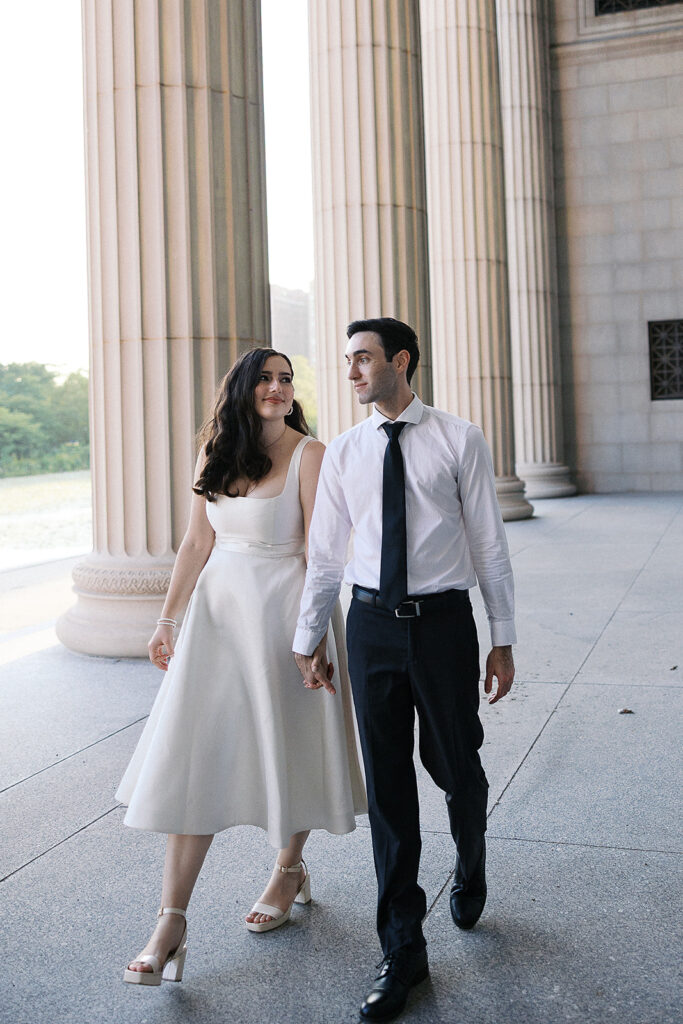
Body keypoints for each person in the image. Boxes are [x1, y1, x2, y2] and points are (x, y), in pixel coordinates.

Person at [117, 347, 366, 987]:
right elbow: (197, 542)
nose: (278, 389)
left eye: (286, 380)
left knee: (293, 744)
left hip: (288, 615)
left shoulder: (312, 454)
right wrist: (166, 620)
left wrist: (311, 637)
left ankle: (289, 869)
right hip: (219, 619)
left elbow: (321, 552)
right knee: (193, 756)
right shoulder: (216, 454)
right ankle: (171, 921)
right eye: (266, 379)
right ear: (242, 388)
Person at [293, 318, 516, 1022]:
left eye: (362, 359)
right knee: (388, 789)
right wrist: (309, 637)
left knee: (455, 763)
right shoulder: (346, 452)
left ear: (400, 361)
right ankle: (402, 948)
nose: (351, 371)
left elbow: (487, 541)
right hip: (370, 628)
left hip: (445, 624)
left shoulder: (458, 438)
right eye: (347, 360)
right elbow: (326, 552)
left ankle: (469, 849)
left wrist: (501, 638)